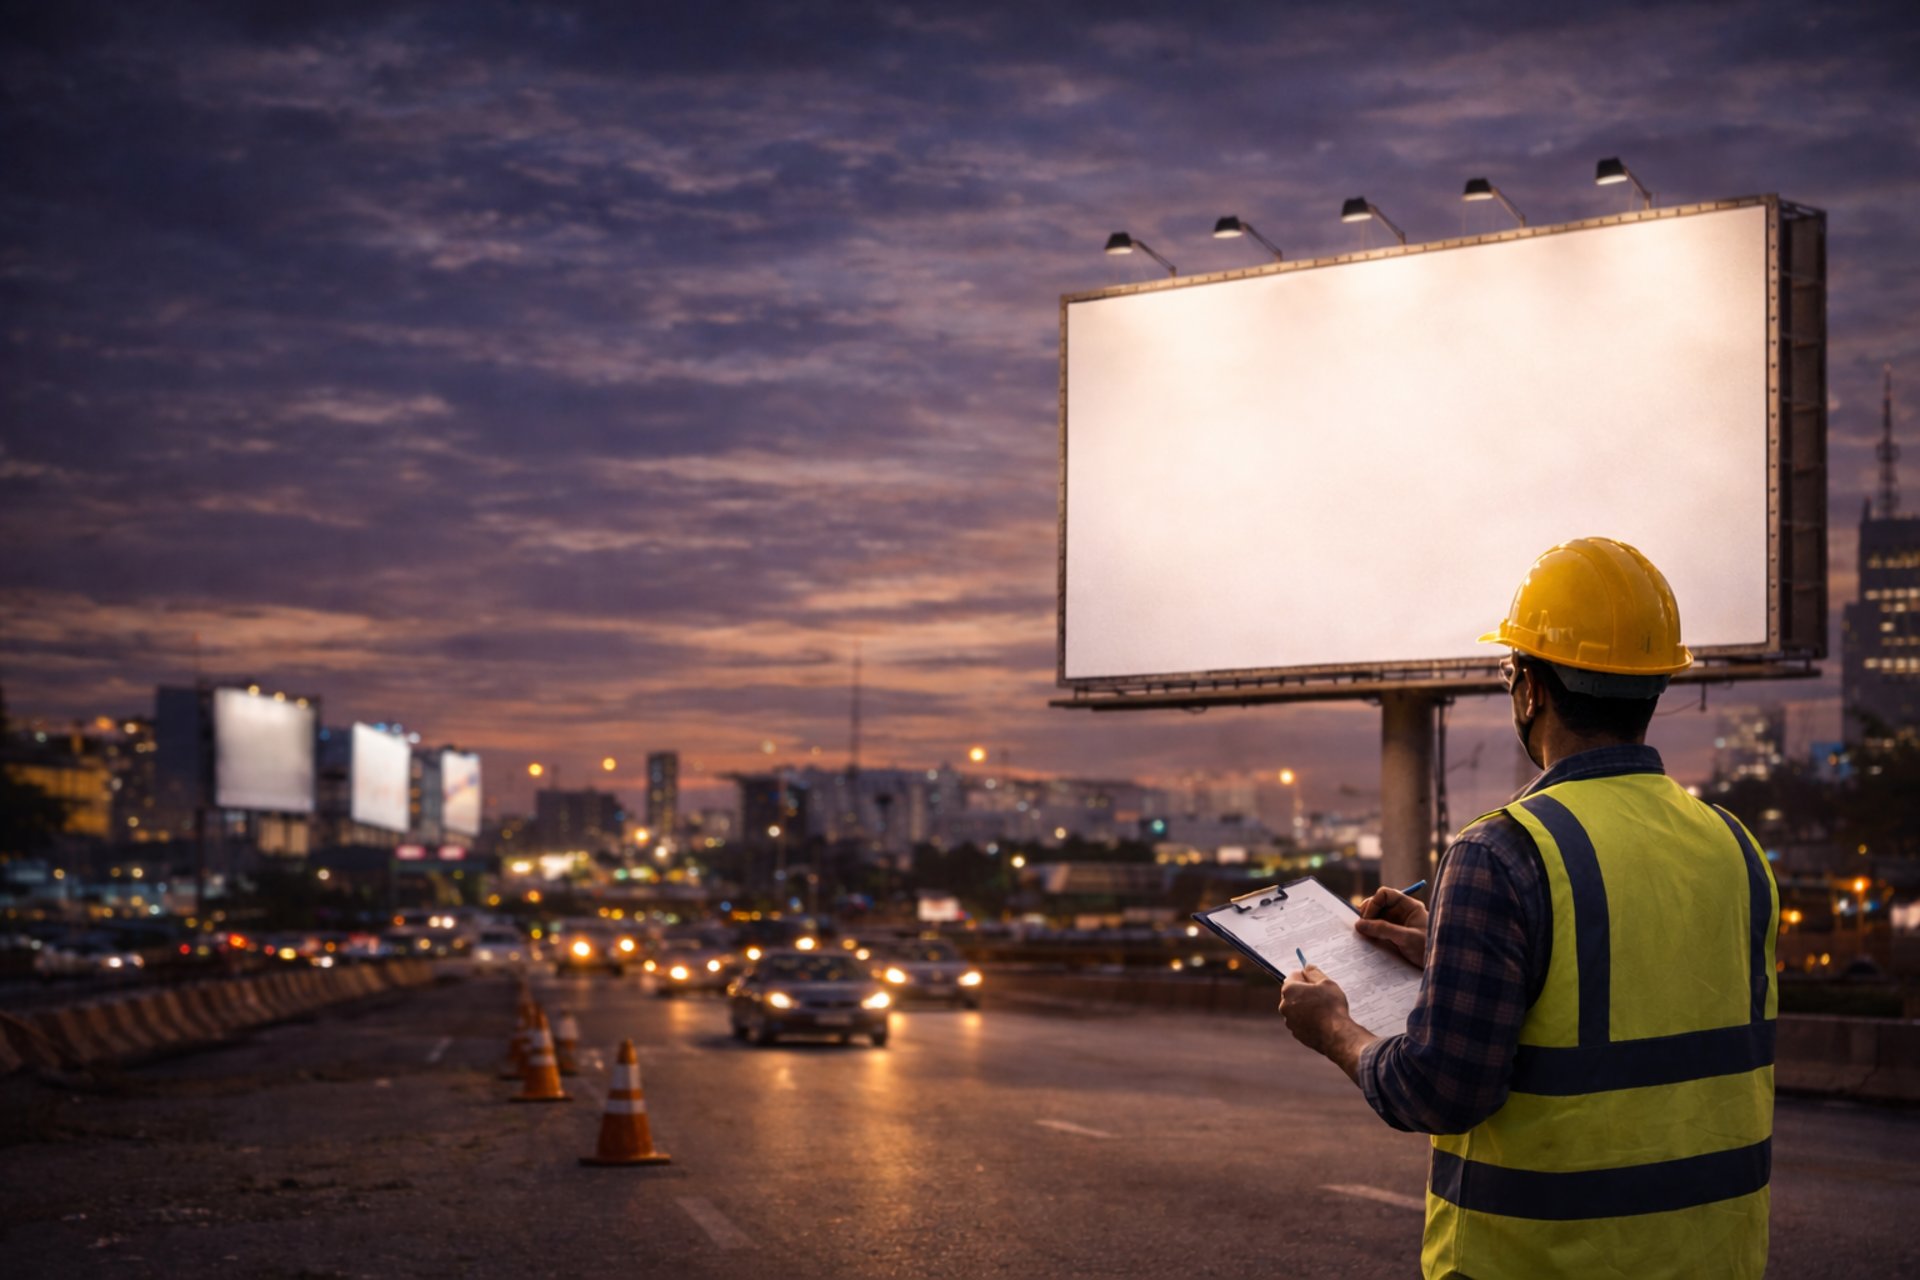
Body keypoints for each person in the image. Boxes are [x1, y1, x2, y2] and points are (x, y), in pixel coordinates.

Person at [1278, 536, 1778, 1280]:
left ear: (1530, 689)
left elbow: (1442, 1088)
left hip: (1548, 1259)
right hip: (1713, 1258)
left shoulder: (1502, 851)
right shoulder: (1735, 847)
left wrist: (1335, 1031)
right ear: (1655, 687)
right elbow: (1639, 983)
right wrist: (1458, 947)